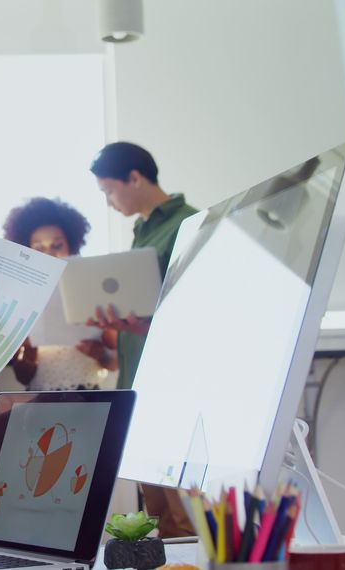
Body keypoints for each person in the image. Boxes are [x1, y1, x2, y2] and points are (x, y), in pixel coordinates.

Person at [89, 141, 198, 538]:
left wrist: (145, 325)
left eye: (109, 190)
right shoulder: (143, 229)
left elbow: (194, 310)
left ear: (134, 178)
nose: (109, 202)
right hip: (139, 380)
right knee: (156, 505)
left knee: (183, 511)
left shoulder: (189, 223)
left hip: (173, 384)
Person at [1, 197, 118, 391]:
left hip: (89, 397)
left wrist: (99, 355)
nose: (49, 255)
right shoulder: (22, 300)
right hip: (41, 398)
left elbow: (114, 364)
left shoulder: (93, 291)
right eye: (39, 248)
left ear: (71, 246)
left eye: (57, 246)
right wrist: (27, 351)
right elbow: (23, 377)